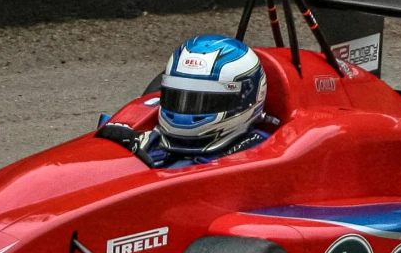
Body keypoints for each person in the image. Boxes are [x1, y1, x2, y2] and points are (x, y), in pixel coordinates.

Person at [103, 35, 280, 168]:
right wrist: (118, 149)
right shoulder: (150, 141)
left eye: (207, 101)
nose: (185, 113)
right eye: (178, 97)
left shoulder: (263, 155)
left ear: (246, 99)